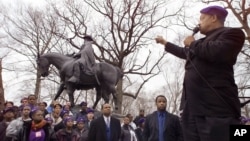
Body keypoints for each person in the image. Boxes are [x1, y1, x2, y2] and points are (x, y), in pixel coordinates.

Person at [155, 5, 245, 141]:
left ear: (214, 18)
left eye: (202, 18)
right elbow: (184, 52)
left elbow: (217, 52)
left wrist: (193, 44)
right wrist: (165, 43)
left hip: (216, 110)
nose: (199, 22)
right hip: (191, 110)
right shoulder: (201, 43)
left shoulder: (233, 34)